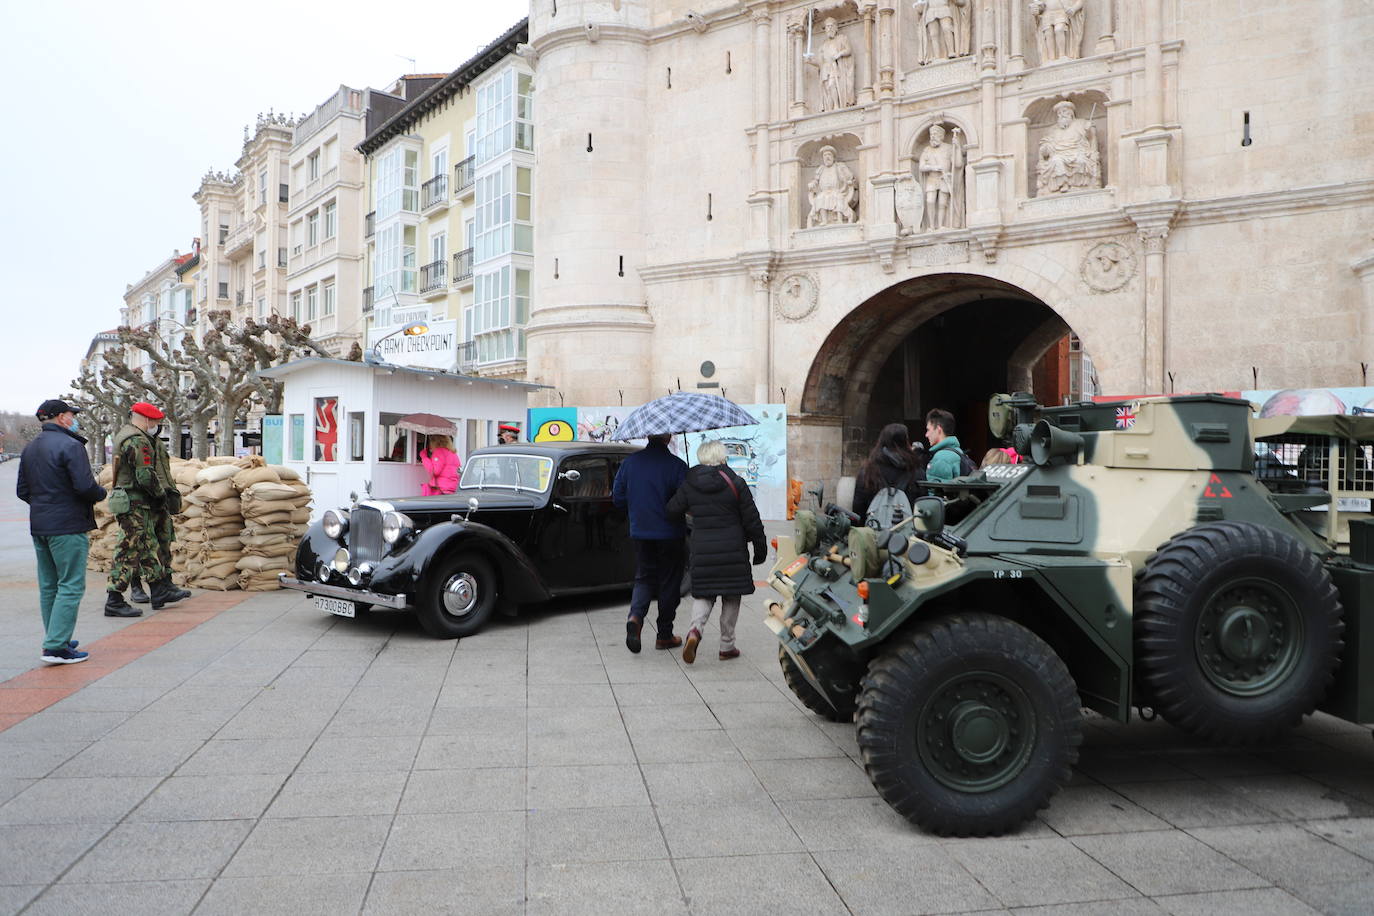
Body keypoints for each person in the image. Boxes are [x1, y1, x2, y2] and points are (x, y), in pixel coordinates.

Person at [17, 399, 106, 664]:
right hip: (68, 526)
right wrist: (101, 493)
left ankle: (57, 636)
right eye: (71, 414)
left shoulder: (30, 448)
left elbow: (22, 491)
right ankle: (56, 647)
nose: (73, 418)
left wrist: (45, 505)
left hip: (41, 525)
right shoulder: (71, 445)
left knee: (49, 585)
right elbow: (85, 486)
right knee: (70, 584)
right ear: (61, 417)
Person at [666, 440, 767, 664]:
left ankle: (695, 631)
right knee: (731, 595)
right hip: (733, 549)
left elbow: (672, 510)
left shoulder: (690, 483)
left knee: (704, 594)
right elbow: (752, 520)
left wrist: (692, 509)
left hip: (702, 548)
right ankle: (726, 646)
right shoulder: (736, 482)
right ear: (722, 457)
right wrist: (760, 549)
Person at [105, 402, 189, 617]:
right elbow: (144, 475)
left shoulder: (136, 436)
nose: (156, 426)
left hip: (138, 502)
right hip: (134, 502)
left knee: (148, 546)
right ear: (146, 420)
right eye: (155, 422)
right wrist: (161, 495)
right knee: (128, 549)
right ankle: (114, 599)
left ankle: (159, 589)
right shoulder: (136, 439)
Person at [612, 432, 688, 654]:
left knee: (644, 577)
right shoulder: (676, 465)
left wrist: (638, 507)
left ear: (648, 436)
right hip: (670, 533)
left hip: (640, 531)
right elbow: (685, 500)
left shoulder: (630, 463)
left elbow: (617, 498)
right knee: (669, 581)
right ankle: (664, 635)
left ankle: (635, 617)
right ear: (668, 438)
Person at [852, 423, 925, 520]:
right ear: (906, 442)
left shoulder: (868, 470)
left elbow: (858, 507)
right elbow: (922, 506)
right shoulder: (916, 471)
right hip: (906, 531)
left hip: (874, 530)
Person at [807, 145, 857, 227]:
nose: (827, 157)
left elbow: (849, 176)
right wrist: (812, 184)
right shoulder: (821, 169)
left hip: (837, 191)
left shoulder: (839, 167)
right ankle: (824, 220)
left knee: (838, 197)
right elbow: (815, 180)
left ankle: (839, 219)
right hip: (824, 192)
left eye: (829, 155)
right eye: (825, 156)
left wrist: (849, 180)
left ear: (833, 157)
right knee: (820, 198)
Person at [925, 408, 968, 482]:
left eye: (928, 430)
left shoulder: (941, 458)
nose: (926, 435)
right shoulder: (958, 451)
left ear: (938, 429)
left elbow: (935, 491)